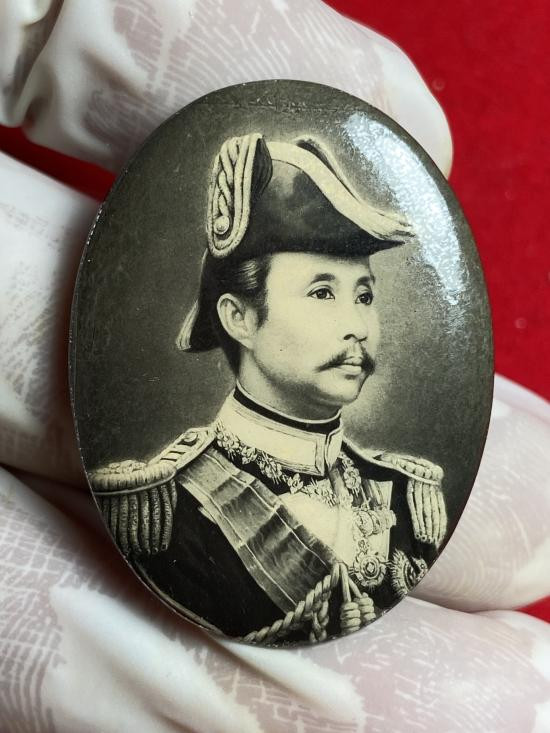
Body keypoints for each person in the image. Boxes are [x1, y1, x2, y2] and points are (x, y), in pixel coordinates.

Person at [90, 132, 447, 644]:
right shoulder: (173, 515)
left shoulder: (408, 498)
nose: (358, 327)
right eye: (322, 292)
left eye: (364, 296)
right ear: (240, 318)